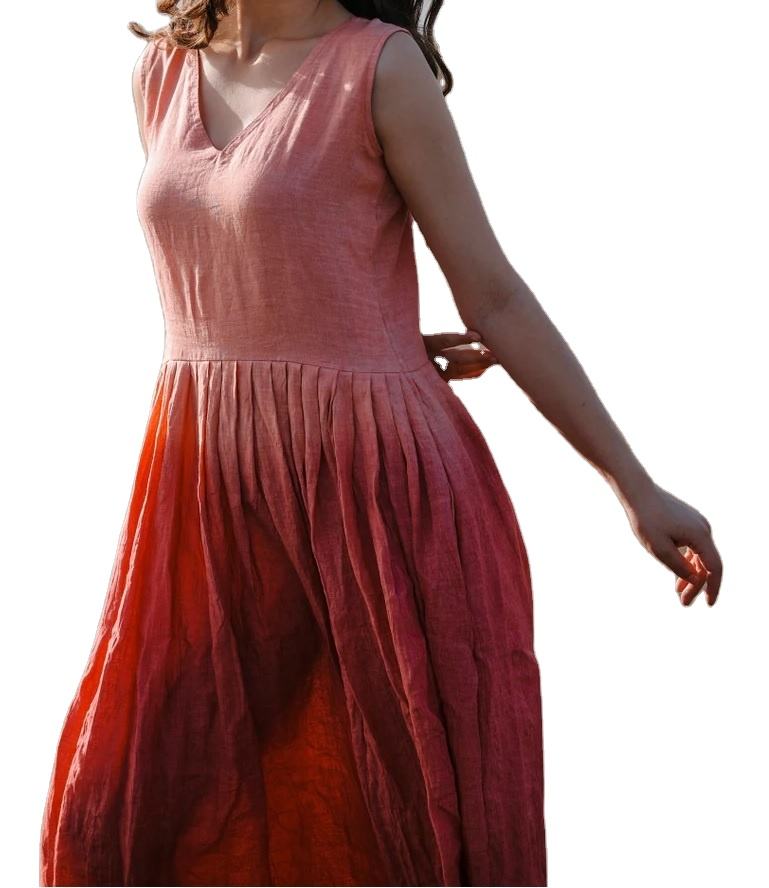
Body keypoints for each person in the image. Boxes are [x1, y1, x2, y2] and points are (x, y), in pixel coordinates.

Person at [39, 1, 723, 886]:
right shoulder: (161, 71)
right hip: (205, 487)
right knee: (124, 811)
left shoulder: (381, 69)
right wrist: (341, 330)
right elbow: (240, 261)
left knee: (410, 821)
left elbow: (494, 297)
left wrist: (635, 487)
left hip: (373, 491)